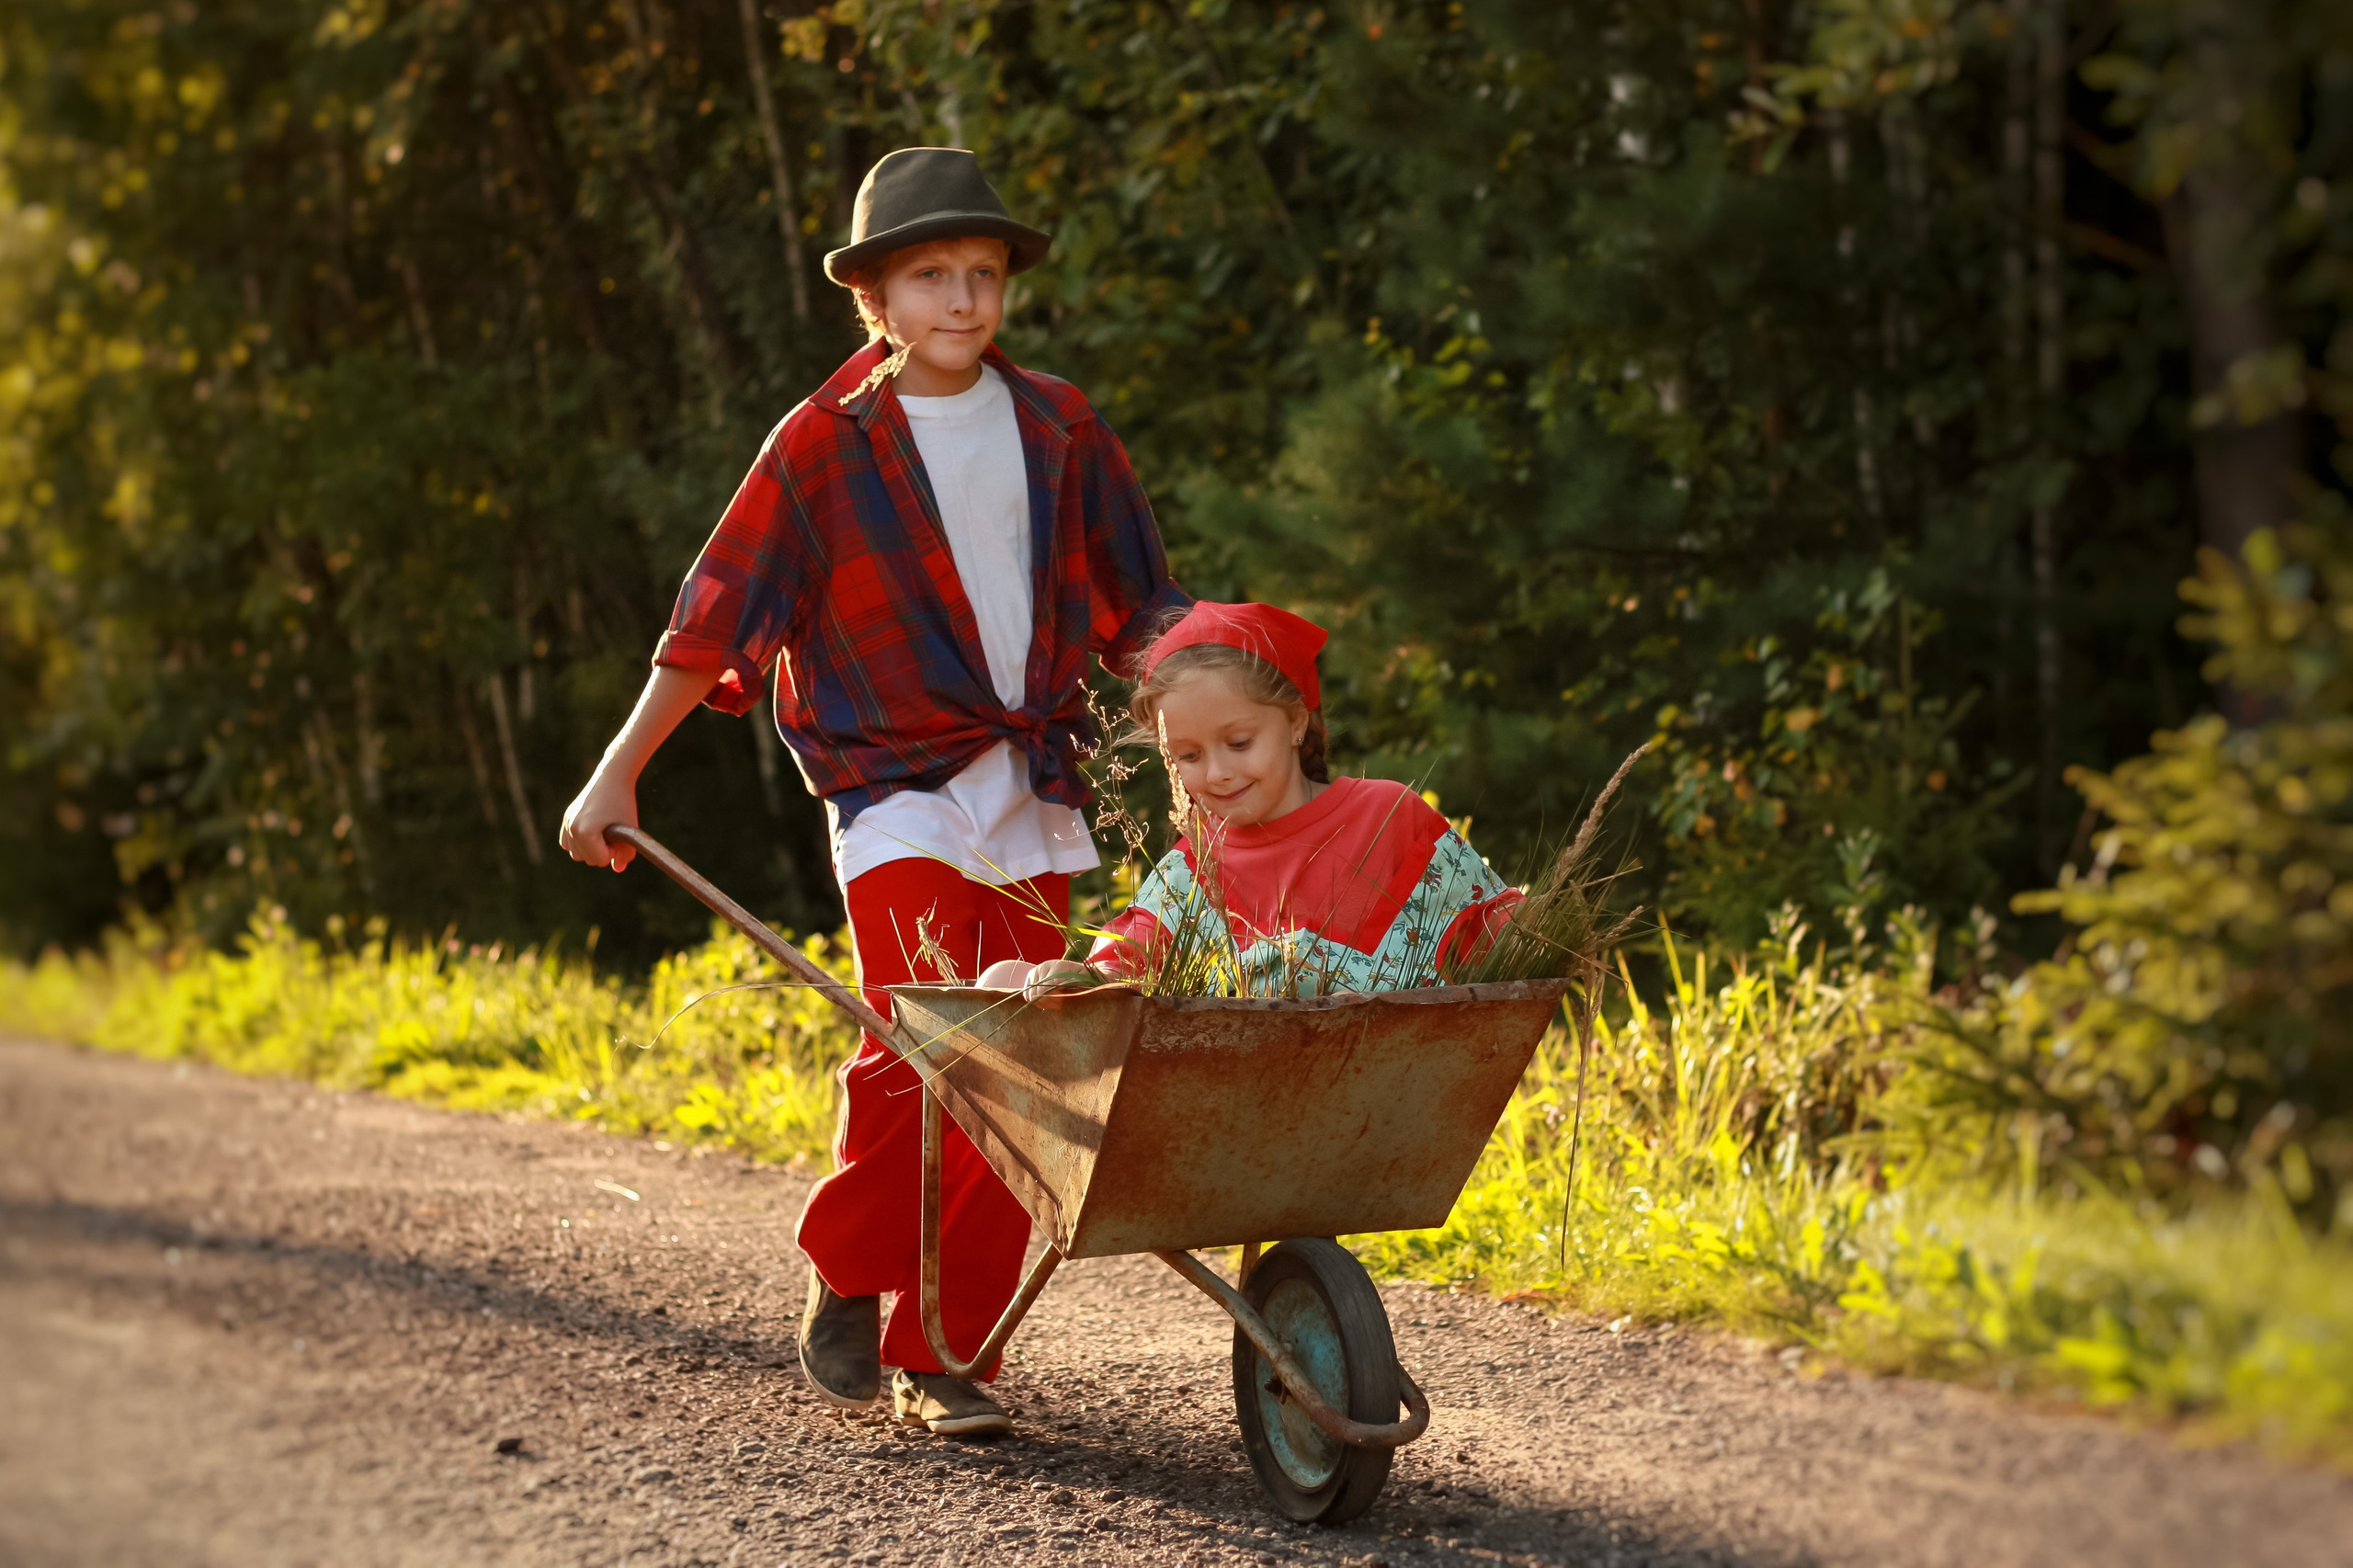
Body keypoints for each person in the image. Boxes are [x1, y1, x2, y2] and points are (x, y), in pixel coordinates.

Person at [557, 147, 1186, 1438]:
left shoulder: (1061, 425)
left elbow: (1147, 606)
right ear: (878, 302)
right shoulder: (821, 447)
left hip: (1033, 782)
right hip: (893, 788)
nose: (962, 299)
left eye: (982, 274)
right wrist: (619, 770)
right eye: (930, 277)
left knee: (1016, 1066)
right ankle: (853, 1260)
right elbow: (715, 619)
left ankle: (945, 1352)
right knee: (914, 1042)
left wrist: (1238, 715)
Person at [1012, 601, 1521, 1001]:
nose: (1217, 773)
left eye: (1239, 744)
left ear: (1297, 722)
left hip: (1394, 1104)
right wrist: (1080, 976)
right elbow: (1125, 966)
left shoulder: (1386, 817)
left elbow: (1488, 931)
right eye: (1187, 755)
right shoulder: (1192, 873)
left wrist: (1536, 923)